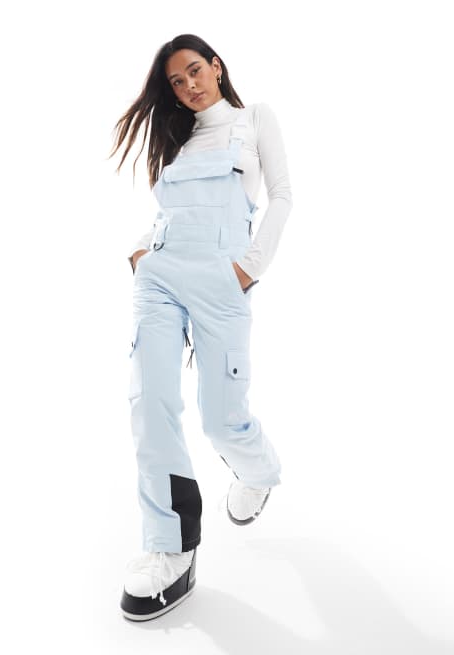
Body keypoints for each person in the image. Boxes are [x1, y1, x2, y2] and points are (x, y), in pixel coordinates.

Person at [108, 33, 293, 621]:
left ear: (216, 66)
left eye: (194, 70)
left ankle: (258, 470)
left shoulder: (254, 119)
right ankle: (171, 549)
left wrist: (248, 269)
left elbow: (282, 197)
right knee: (150, 402)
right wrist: (140, 253)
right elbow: (171, 213)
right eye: (176, 81)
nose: (188, 85)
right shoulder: (179, 140)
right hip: (161, 277)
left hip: (221, 279)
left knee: (221, 418)